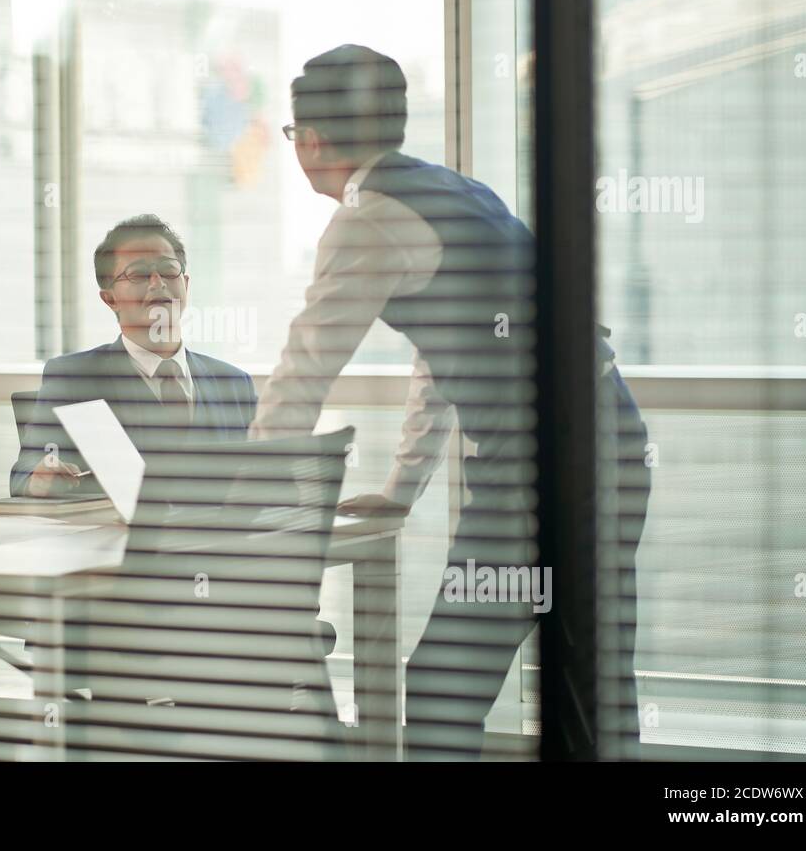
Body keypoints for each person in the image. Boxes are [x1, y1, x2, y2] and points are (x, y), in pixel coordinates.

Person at [251, 44, 650, 757]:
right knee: (593, 682)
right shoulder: (463, 192)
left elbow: (304, 369)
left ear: (309, 140)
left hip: (542, 475)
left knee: (442, 692)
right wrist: (403, 488)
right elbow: (445, 355)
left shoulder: (366, 220)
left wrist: (237, 498)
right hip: (610, 443)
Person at [9, 214, 257, 498]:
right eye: (139, 275)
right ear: (110, 298)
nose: (157, 283)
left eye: (168, 271)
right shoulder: (73, 378)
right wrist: (39, 478)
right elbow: (23, 474)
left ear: (185, 284)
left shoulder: (235, 383)